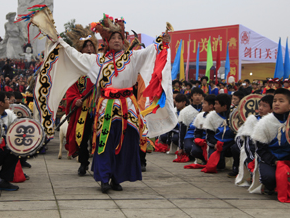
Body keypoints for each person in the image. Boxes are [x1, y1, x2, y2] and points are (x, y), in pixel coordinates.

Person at [26, 10, 176, 193]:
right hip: (106, 107)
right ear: (107, 41)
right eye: (113, 38)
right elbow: (75, 56)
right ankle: (104, 177)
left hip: (128, 106)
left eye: (119, 37)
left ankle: (117, 177)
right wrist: (60, 41)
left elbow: (152, 51)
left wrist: (162, 41)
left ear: (123, 40)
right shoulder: (97, 60)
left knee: (127, 142)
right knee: (104, 143)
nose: (117, 40)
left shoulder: (133, 57)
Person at [251, 88, 290, 195]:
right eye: (274, 101)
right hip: (271, 160)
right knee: (270, 179)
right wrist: (275, 161)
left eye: (281, 101)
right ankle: (271, 186)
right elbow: (261, 150)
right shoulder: (264, 123)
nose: (276, 104)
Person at [63, 25, 98, 176]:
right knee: (83, 137)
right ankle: (83, 163)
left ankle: (99, 164)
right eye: (86, 46)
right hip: (83, 107)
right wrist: (76, 99)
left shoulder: (100, 63)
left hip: (99, 107)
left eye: (91, 45)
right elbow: (71, 87)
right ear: (81, 50)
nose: (89, 48)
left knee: (99, 136)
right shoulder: (76, 67)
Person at [203, 93, 240, 177]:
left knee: (236, 148)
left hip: (231, 143)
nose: (214, 106)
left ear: (225, 106)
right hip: (217, 144)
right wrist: (215, 143)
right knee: (216, 166)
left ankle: (236, 168)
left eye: (216, 104)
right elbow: (209, 135)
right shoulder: (211, 116)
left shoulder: (234, 115)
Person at [177, 88, 204, 159]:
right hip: (190, 136)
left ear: (202, 97)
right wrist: (180, 147)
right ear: (191, 97)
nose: (197, 97)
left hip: (203, 136)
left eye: (199, 95)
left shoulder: (206, 109)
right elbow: (182, 130)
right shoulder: (185, 111)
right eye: (195, 95)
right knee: (189, 148)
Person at [190, 94, 216, 163]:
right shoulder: (200, 116)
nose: (202, 105)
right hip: (202, 141)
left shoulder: (217, 117)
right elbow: (197, 132)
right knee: (194, 150)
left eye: (204, 103)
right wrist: (198, 140)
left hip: (213, 142)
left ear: (211, 106)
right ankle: (203, 159)